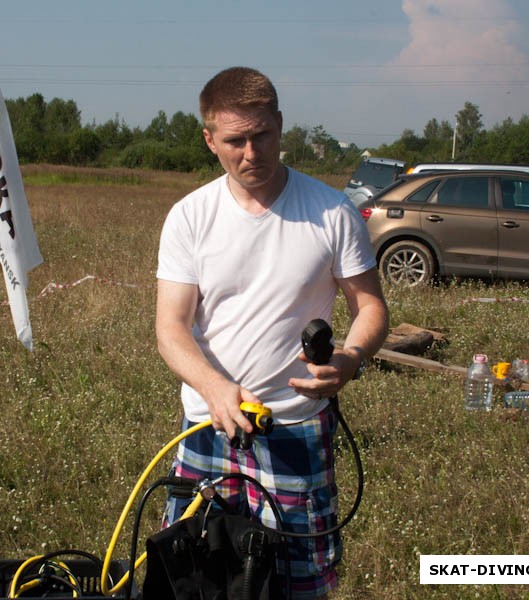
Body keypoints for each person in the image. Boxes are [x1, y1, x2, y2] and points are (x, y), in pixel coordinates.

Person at [155, 66, 389, 598]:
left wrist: (350, 359)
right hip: (207, 428)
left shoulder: (332, 212)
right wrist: (216, 390)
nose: (251, 153)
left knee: (298, 581)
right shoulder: (190, 217)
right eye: (235, 140)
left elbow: (371, 307)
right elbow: (170, 329)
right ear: (209, 140)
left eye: (262, 135)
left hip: (295, 428)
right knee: (198, 576)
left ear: (281, 125)